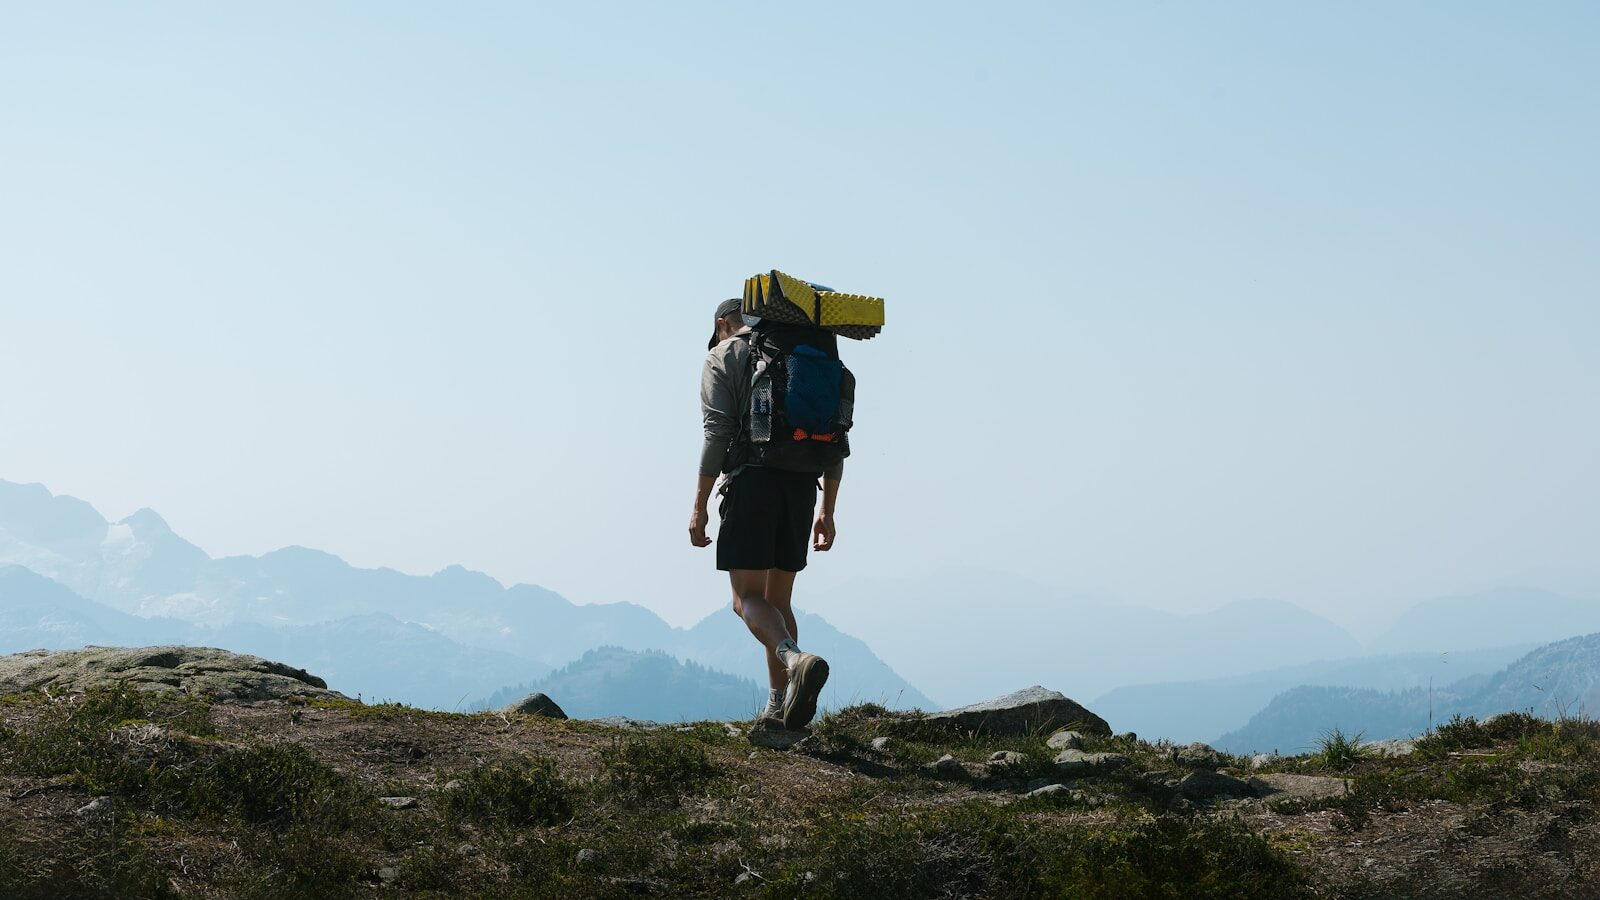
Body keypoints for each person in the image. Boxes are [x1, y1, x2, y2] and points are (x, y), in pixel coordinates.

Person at [690, 298, 839, 730]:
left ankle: (794, 660)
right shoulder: (798, 355)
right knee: (779, 600)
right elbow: (832, 437)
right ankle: (780, 705)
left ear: (723, 324)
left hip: (752, 483)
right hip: (801, 486)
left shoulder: (724, 355)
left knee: (746, 600)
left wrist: (699, 505)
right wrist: (828, 510)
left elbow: (717, 433)